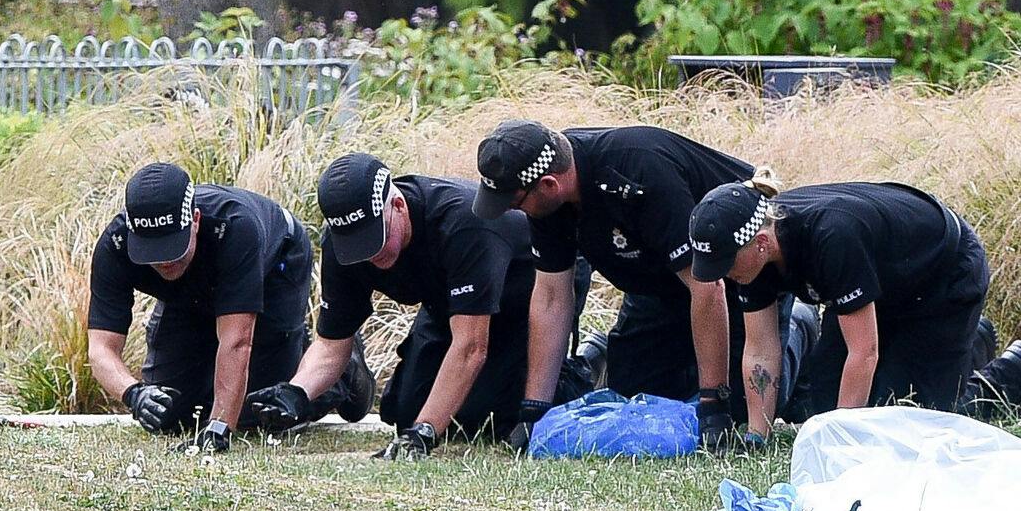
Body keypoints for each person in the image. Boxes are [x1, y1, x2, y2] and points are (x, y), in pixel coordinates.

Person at [472, 120, 814, 452]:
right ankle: (615, 350)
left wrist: (714, 403)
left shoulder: (638, 170)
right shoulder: (548, 204)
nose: (514, 213)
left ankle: (800, 324)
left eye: (514, 204)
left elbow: (706, 288)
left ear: (548, 184)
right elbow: (550, 297)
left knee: (748, 400)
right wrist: (535, 411)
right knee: (636, 400)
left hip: (732, 273)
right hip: (657, 285)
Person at [250, 153, 598, 461]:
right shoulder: (345, 248)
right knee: (404, 410)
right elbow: (330, 344)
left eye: (376, 238)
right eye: (357, 245)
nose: (371, 255)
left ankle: (586, 367)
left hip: (530, 291)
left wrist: (425, 433)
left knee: (483, 417)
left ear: (397, 206)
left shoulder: (462, 223)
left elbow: (471, 347)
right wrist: (296, 394)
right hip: (450, 303)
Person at [87, 163, 370, 454]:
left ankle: (341, 373)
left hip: (274, 265)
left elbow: (237, 342)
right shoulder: (115, 245)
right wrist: (134, 394)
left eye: (172, 247)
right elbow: (100, 348)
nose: (163, 261)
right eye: (151, 252)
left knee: (259, 411)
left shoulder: (235, 227)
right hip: (190, 293)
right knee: (169, 412)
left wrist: (219, 428)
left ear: (195, 220)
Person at [688, 174, 991, 438]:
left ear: (763, 243)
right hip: (877, 288)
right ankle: (948, 361)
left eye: (726, 264)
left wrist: (841, 441)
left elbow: (863, 352)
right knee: (825, 404)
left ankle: (991, 365)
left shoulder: (832, 237)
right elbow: (761, 348)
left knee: (901, 417)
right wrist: (757, 434)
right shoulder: (753, 259)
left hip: (941, 277)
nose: (725, 275)